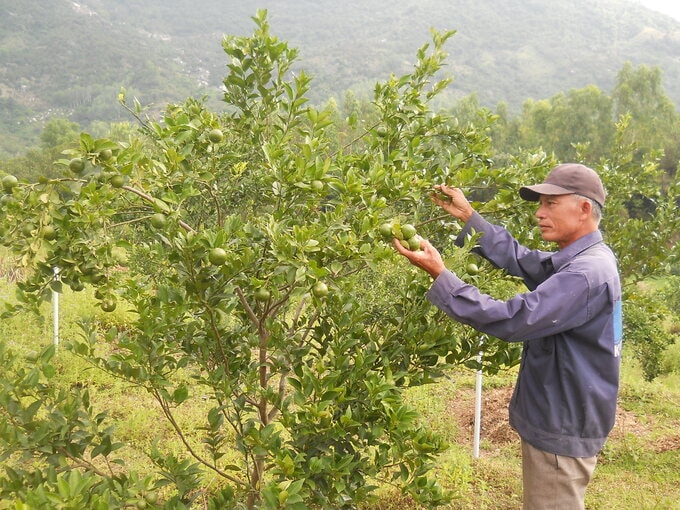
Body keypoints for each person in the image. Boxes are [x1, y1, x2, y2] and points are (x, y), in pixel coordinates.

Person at [393, 163, 622, 510]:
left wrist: (442, 276)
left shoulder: (586, 273)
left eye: (550, 204)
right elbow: (524, 260)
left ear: (584, 208)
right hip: (563, 414)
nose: (539, 213)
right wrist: (469, 217)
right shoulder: (585, 260)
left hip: (563, 425)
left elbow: (512, 320)